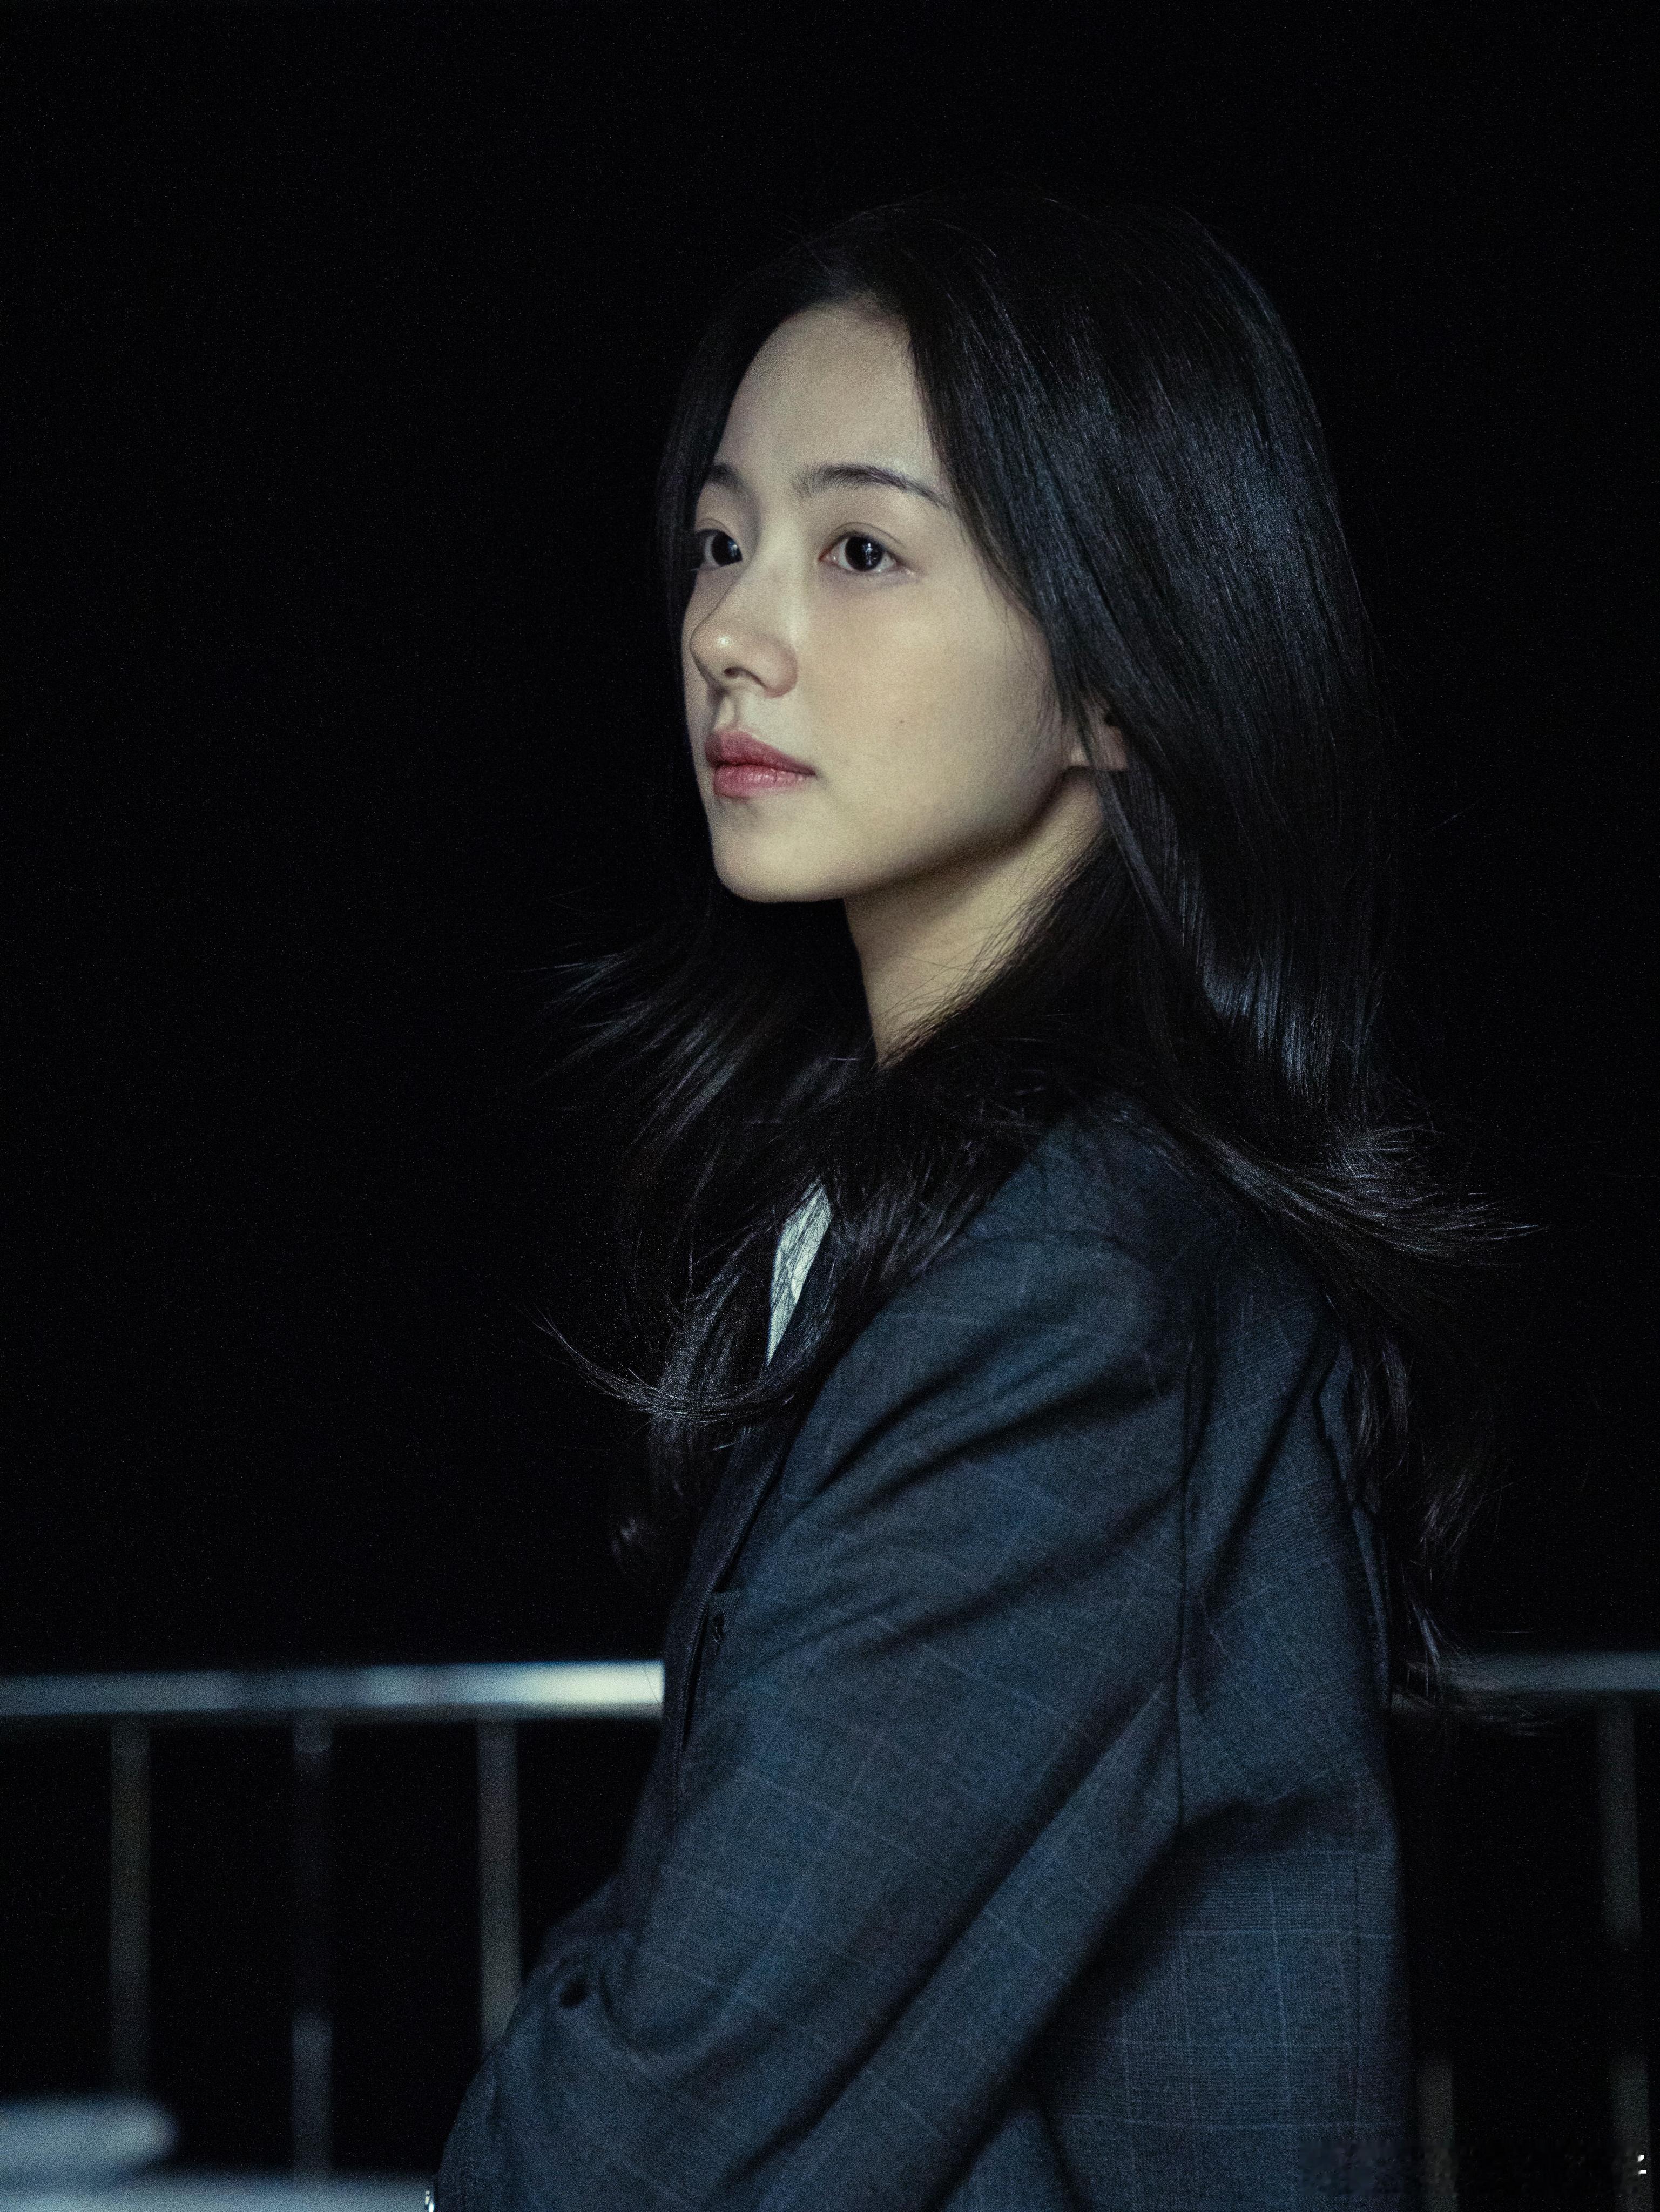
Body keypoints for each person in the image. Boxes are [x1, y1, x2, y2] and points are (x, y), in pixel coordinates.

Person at [437, 191, 1491, 2209]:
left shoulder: (1078, 1282)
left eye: (859, 551)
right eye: (722, 541)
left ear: (1118, 674)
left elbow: (662, 2119)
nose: (729, 632)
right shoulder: (949, 1206)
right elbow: (709, 1930)